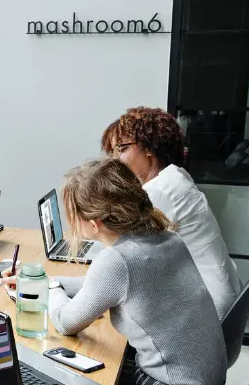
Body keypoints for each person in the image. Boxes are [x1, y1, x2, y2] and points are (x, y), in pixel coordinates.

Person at [7, 160, 227, 385]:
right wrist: (48, 281)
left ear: (94, 223)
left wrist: (48, 289)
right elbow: (100, 286)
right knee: (71, 375)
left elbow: (65, 321)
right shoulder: (166, 239)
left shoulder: (117, 261)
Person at [101, 106, 240, 318]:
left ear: (148, 147)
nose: (117, 160)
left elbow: (123, 254)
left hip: (208, 310)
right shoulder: (175, 176)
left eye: (122, 149)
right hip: (216, 294)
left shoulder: (161, 191)